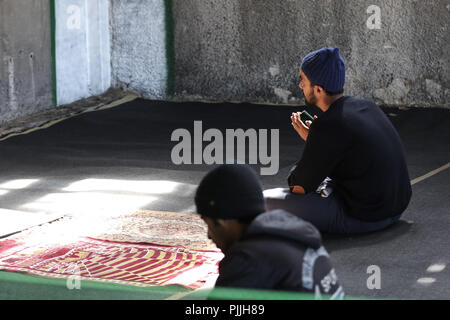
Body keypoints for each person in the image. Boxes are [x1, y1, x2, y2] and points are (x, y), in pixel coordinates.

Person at [264, 47, 412, 234]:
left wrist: (313, 144)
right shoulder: (367, 107)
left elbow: (298, 187)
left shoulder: (328, 125)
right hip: (396, 210)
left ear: (317, 89)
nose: (300, 86)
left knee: (265, 200)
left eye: (303, 80)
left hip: (364, 217)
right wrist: (316, 142)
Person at [194, 164, 344, 299]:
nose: (208, 235)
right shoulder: (290, 231)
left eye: (209, 225)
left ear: (223, 222)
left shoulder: (248, 257)